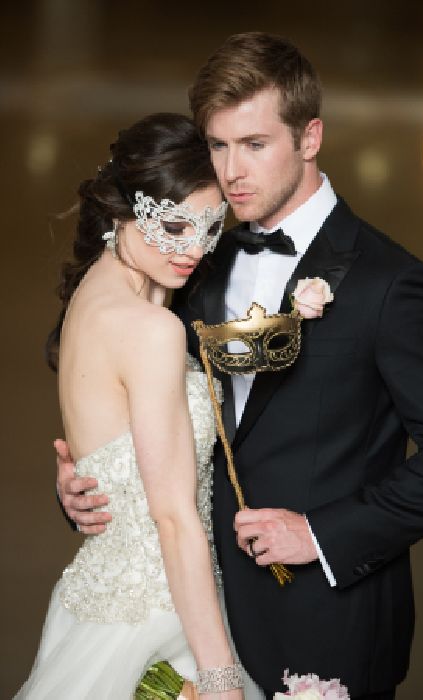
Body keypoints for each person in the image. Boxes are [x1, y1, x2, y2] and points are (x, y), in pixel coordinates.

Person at [57, 34, 423, 700]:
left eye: (253, 144)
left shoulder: (391, 284)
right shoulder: (194, 259)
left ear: (310, 138)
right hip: (196, 616)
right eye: (217, 146)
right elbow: (138, 398)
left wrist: (321, 534)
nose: (231, 172)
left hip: (326, 622)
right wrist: (96, 479)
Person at [16, 113, 245, 700]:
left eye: (210, 226)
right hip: (161, 616)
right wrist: (220, 678)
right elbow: (172, 518)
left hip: (99, 602)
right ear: (122, 210)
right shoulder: (150, 329)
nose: (194, 248)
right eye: (173, 226)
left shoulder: (92, 296)